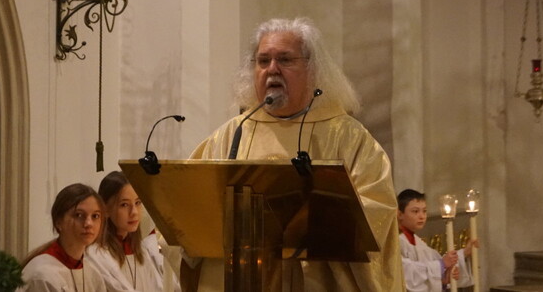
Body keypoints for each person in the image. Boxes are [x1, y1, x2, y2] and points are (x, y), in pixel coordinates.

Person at [189, 17, 404, 291]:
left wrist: (306, 226)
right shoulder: (232, 135)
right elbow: (189, 206)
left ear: (313, 70)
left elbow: (377, 211)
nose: (272, 69)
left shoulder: (346, 136)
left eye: (285, 60)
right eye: (263, 60)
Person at [86, 171, 180, 291]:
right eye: (124, 205)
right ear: (105, 209)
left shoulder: (141, 251)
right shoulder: (96, 254)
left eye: (138, 203)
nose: (134, 212)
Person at [18, 183, 107, 292]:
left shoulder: (93, 275)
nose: (89, 223)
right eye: (79, 215)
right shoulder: (42, 275)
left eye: (95, 216)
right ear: (59, 221)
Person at [397, 189, 478, 291]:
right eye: (415, 211)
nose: (422, 216)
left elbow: (436, 262)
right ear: (399, 214)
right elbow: (406, 273)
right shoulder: (396, 242)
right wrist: (442, 265)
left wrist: (463, 255)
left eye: (424, 211)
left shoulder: (417, 242)